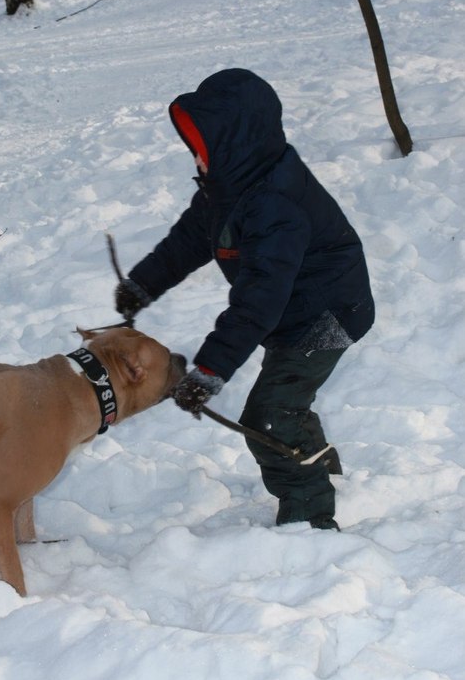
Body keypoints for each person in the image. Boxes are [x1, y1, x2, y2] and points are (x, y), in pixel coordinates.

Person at [114, 69, 374, 530]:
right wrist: (142, 284)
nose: (196, 157)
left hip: (325, 314)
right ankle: (326, 473)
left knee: (270, 413)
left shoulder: (275, 205)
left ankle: (310, 520)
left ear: (235, 145)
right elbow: (188, 241)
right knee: (287, 403)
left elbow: (259, 297)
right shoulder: (228, 189)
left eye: (203, 147)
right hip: (293, 310)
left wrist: (211, 370)